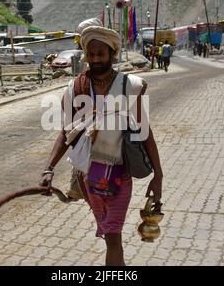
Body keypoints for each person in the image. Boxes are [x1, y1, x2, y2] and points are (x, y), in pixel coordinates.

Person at [40, 26, 163, 266]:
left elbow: (146, 132)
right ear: (85, 55)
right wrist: (49, 168)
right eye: (91, 54)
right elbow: (66, 132)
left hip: (120, 175)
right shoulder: (75, 89)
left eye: (101, 54)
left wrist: (158, 175)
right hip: (88, 178)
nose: (96, 59)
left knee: (113, 236)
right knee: (110, 235)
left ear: (112, 54)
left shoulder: (130, 87)